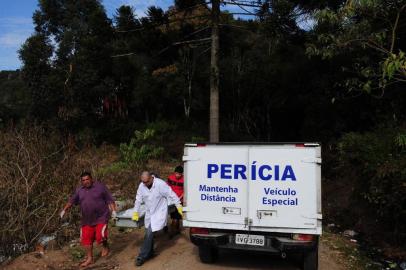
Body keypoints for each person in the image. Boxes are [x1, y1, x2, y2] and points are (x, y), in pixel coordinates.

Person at [60, 172, 117, 268]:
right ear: (81, 182)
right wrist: (64, 210)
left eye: (87, 179)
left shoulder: (100, 187)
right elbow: (72, 201)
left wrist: (114, 211)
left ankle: (105, 246)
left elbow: (109, 199)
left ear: (91, 179)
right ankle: (90, 258)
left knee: (100, 235)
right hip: (87, 219)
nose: (86, 181)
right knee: (86, 239)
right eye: (83, 180)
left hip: (101, 217)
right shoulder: (80, 191)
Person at [132, 171, 182, 266]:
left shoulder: (160, 184)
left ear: (151, 178)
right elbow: (138, 199)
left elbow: (171, 194)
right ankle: (150, 253)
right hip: (149, 213)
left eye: (146, 182)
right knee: (148, 233)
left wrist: (178, 205)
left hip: (159, 212)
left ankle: (141, 256)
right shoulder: (142, 185)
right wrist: (135, 212)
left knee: (149, 233)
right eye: (143, 182)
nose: (145, 184)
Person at [167, 166, 184, 237]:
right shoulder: (170, 177)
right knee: (173, 216)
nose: (177, 175)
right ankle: (175, 230)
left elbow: (185, 190)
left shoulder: (184, 179)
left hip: (180, 201)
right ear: (174, 172)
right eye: (176, 173)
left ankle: (173, 231)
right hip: (171, 201)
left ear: (182, 174)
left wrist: (180, 197)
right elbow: (167, 187)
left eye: (179, 174)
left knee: (177, 217)